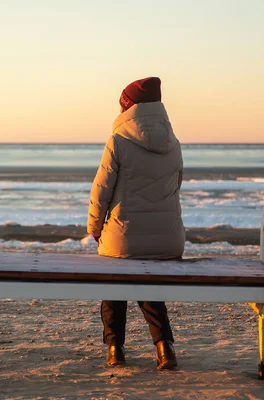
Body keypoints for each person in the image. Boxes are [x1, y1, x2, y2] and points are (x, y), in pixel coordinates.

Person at [87, 77, 185, 370]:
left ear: (127, 106)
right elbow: (175, 187)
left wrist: (94, 228)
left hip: (123, 237)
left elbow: (101, 190)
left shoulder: (118, 140)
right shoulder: (173, 142)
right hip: (168, 240)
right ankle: (164, 348)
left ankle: (115, 349)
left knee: (114, 280)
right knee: (149, 284)